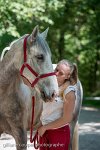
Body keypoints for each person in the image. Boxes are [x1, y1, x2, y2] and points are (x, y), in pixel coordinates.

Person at [38, 59, 78, 150]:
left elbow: (67, 119)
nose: (56, 74)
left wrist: (44, 128)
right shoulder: (48, 86)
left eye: (61, 73)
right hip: (45, 131)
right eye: (56, 70)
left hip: (59, 133)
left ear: (67, 76)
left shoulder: (69, 92)